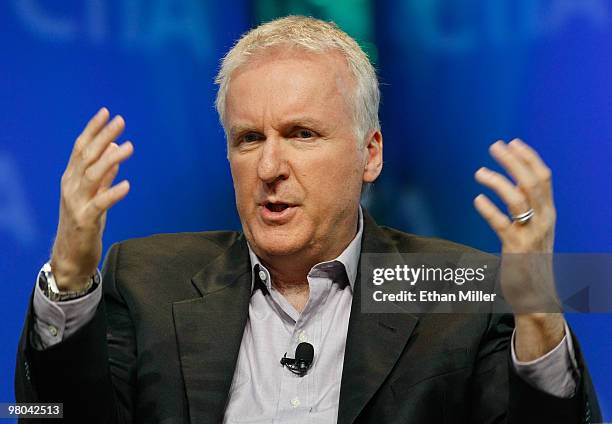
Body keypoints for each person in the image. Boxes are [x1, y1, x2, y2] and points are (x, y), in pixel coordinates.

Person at [15, 16, 601, 423]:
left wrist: (539, 302)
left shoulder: (454, 285)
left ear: (370, 154)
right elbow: (45, 416)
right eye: (248, 139)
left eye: (302, 134)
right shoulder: (142, 278)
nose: (270, 166)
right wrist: (68, 278)